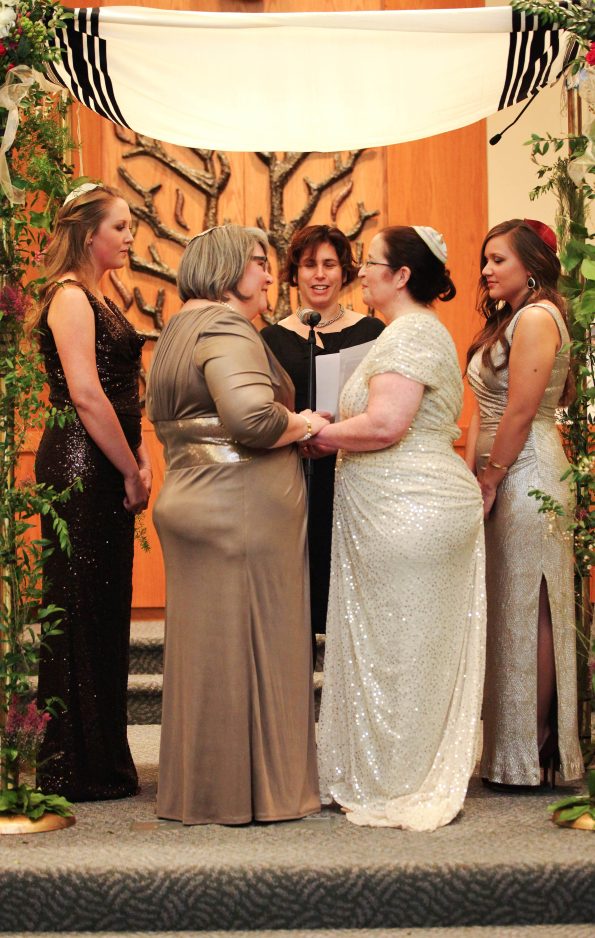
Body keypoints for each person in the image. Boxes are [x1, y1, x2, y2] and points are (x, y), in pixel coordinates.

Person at [146, 224, 326, 825]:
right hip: (241, 507)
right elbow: (251, 418)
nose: (270, 275)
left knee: (209, 656)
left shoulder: (176, 330)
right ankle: (259, 794)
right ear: (225, 268)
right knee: (259, 650)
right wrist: (304, 423)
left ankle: (205, 791)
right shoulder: (225, 326)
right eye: (257, 262)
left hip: (192, 498)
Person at [314, 225, 486, 831]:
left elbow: (387, 424)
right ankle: (391, 768)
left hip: (409, 509)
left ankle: (401, 778)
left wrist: (318, 434)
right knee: (403, 647)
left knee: (402, 650)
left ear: (402, 275)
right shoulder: (407, 332)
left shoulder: (411, 333)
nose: (360, 272)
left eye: (370, 262)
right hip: (399, 510)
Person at [32, 183, 150, 801]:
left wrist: (141, 455)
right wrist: (130, 469)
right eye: (121, 226)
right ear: (88, 234)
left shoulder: (104, 295)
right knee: (79, 605)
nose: (130, 237)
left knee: (104, 606)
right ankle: (73, 763)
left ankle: (102, 757)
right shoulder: (70, 297)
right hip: (81, 465)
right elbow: (85, 393)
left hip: (106, 460)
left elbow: (125, 388)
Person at [465, 218, 583, 789]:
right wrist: (469, 477)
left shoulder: (536, 318)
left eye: (499, 260)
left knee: (531, 607)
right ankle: (510, 750)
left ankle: (532, 747)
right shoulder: (507, 319)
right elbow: (481, 413)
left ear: (532, 265)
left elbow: (519, 410)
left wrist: (491, 478)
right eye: (485, 260)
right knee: (505, 607)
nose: (487, 270)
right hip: (499, 473)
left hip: (528, 473)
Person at [261, 225, 384, 650]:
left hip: (355, 471)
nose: (319, 274)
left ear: (344, 272)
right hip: (292, 471)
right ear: (294, 273)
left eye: (329, 264)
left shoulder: (371, 331)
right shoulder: (271, 338)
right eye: (309, 264)